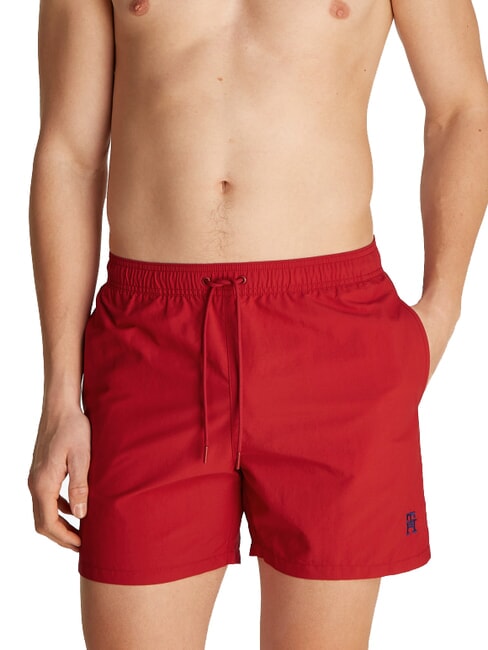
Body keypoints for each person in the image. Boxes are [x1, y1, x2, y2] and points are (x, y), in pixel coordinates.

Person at [27, 0, 488, 648]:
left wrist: (442, 308)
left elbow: (461, 108)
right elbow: (69, 153)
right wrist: (58, 400)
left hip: (333, 336)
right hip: (150, 343)